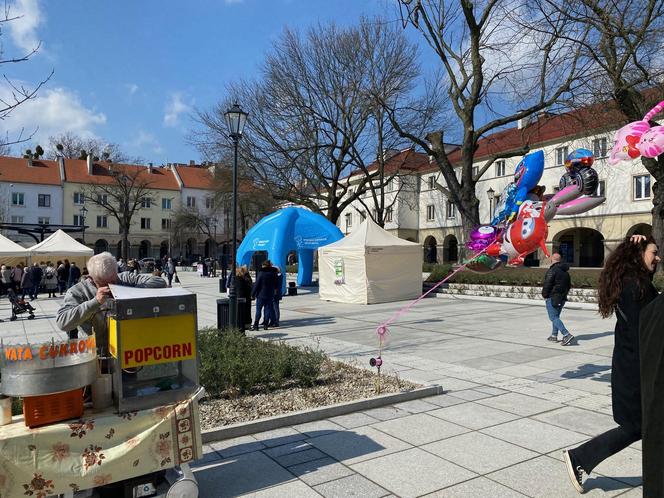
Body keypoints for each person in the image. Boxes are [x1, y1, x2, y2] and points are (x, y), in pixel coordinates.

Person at [563, 235, 660, 493]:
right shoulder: (636, 287)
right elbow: (647, 330)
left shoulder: (632, 283)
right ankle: (579, 458)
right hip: (636, 370)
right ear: (639, 256)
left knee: (640, 425)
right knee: (637, 426)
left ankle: (580, 458)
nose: (658, 258)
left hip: (631, 366)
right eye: (653, 252)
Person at [56, 252, 167, 352]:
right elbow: (62, 322)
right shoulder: (78, 291)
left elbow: (159, 282)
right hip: (95, 353)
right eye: (103, 283)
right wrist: (94, 302)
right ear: (91, 278)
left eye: (113, 281)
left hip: (128, 350)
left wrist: (128, 291)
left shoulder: (124, 278)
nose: (110, 287)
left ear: (116, 272)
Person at [542, 252, 573, 345]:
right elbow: (568, 286)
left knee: (553, 317)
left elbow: (547, 284)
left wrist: (545, 295)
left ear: (552, 259)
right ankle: (554, 335)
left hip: (553, 297)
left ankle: (566, 334)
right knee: (556, 317)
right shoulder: (566, 272)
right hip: (562, 298)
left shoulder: (552, 270)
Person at [251, 260, 278, 331]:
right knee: (267, 309)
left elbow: (257, 284)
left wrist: (252, 294)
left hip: (261, 294)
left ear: (264, 266)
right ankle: (266, 325)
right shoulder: (273, 273)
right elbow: (276, 283)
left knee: (258, 310)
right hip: (270, 294)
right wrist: (275, 290)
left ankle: (256, 324)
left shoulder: (261, 273)